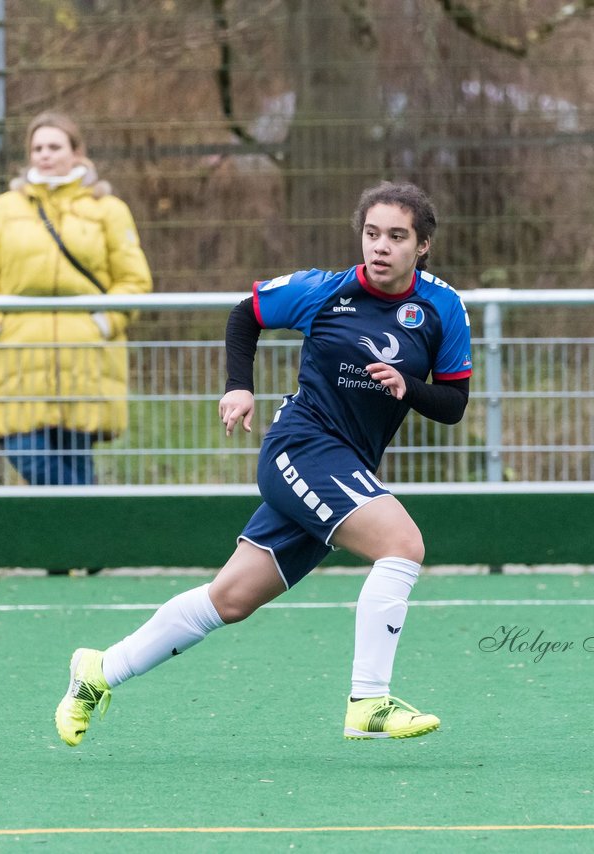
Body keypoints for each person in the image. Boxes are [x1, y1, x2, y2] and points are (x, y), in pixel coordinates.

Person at [55, 181, 473, 745]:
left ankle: (99, 671)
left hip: (347, 466)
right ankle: (369, 700)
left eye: (396, 237)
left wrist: (409, 389)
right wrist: (238, 387)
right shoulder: (324, 290)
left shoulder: (442, 308)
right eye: (372, 233)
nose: (380, 246)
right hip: (301, 449)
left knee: (228, 599)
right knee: (402, 545)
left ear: (422, 246)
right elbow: (245, 313)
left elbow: (453, 405)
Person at [0, 111, 153, 487]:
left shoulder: (107, 210)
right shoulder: (6, 207)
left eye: (54, 146)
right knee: (26, 452)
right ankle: (91, 523)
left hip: (83, 353)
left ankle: (77, 538)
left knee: (75, 456)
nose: (44, 155)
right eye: (37, 148)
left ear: (77, 152)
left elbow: (133, 280)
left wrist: (103, 323)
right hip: (19, 353)